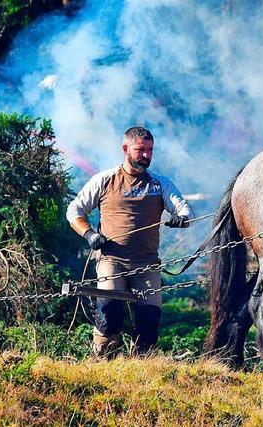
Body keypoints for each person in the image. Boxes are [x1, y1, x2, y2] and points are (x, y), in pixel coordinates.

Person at [66, 126, 194, 357]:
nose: (146, 155)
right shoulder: (105, 180)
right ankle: (104, 364)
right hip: (111, 261)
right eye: (140, 150)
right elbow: (74, 210)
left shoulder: (160, 183)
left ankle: (141, 371)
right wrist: (89, 234)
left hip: (147, 264)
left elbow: (185, 210)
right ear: (125, 149)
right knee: (108, 315)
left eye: (150, 150)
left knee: (149, 323)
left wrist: (181, 219)